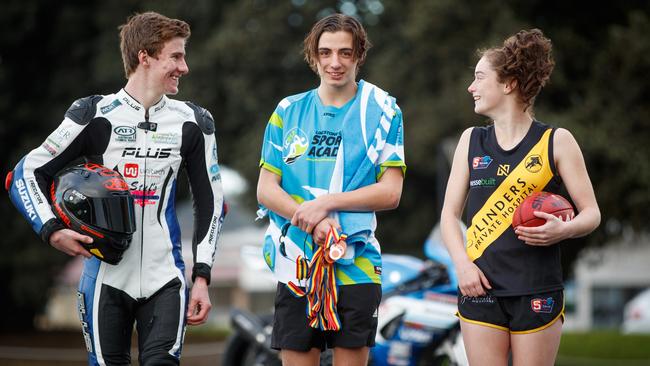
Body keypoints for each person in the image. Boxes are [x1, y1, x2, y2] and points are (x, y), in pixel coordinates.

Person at [5, 11, 225, 365]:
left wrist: (201, 277)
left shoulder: (195, 122)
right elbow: (24, 174)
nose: (184, 67)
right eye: (176, 56)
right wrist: (51, 230)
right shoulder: (94, 114)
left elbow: (212, 202)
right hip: (105, 278)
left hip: (166, 277)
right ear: (145, 56)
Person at [440, 29, 600, 366]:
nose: (472, 87)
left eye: (479, 77)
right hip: (479, 287)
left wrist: (564, 230)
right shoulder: (471, 141)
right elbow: (449, 216)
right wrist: (462, 266)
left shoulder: (557, 141)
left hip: (537, 288)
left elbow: (591, 213)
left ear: (509, 83)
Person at [256, 13, 405, 366]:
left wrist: (326, 204)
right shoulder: (287, 111)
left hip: (358, 263)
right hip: (297, 263)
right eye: (325, 53)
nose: (334, 63)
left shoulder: (383, 110)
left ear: (359, 56)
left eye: (345, 53)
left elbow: (391, 192)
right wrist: (310, 219)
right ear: (314, 56)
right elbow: (266, 189)